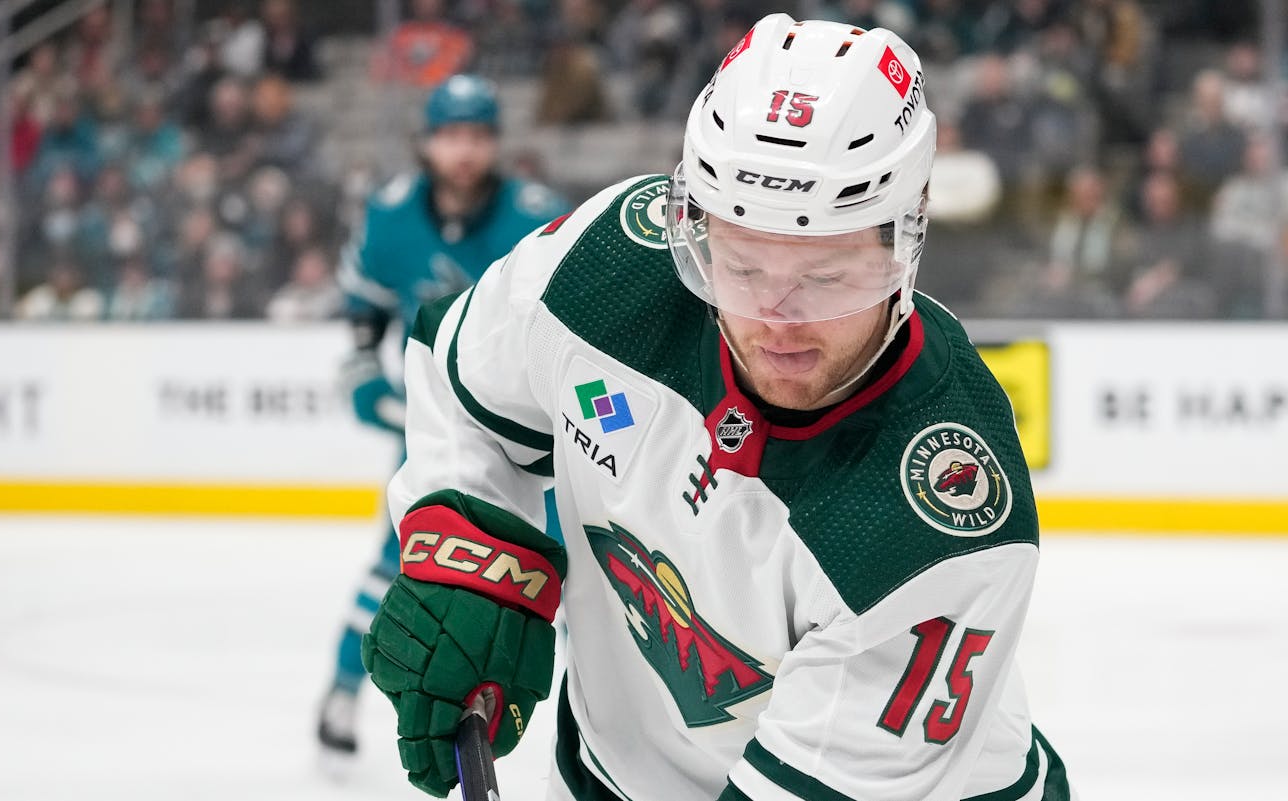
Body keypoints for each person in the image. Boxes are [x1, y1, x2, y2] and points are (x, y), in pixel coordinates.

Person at [361, 15, 1073, 801]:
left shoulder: (935, 518)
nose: (776, 319)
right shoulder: (609, 273)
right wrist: (474, 551)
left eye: (827, 276)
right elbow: (459, 373)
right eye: (739, 264)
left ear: (904, 242)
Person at [317, 73, 569, 764]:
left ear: (496, 143)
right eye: (451, 135)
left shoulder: (537, 216)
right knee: (400, 561)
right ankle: (341, 693)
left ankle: (601, 730)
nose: (464, 150)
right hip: (436, 428)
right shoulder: (391, 214)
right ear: (427, 141)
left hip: (534, 439)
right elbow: (364, 303)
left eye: (478, 136)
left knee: (567, 575)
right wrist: (362, 366)